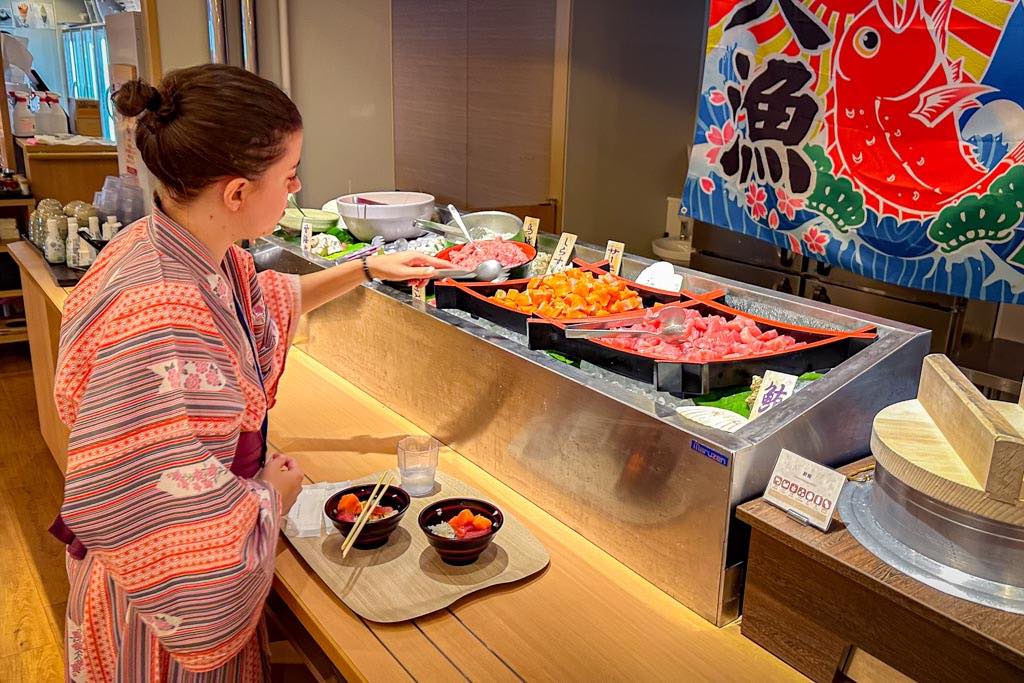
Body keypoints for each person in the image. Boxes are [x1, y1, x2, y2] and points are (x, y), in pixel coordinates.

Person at [49, 63, 448, 681]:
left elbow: (262, 304)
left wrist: (368, 269)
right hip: (161, 608)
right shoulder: (163, 311)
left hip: (142, 581)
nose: (296, 189)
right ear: (236, 193)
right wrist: (269, 496)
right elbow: (165, 515)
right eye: (289, 176)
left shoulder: (169, 244)